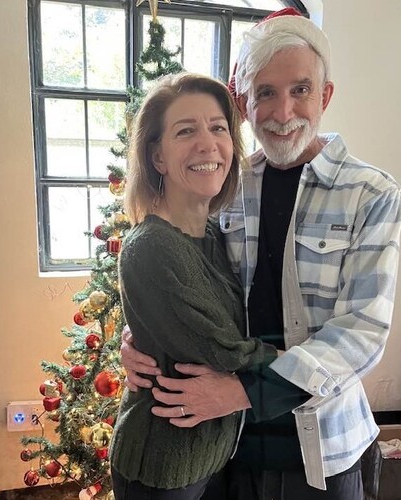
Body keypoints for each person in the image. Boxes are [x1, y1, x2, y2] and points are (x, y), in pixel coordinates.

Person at [120, 8, 401, 500]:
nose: (283, 112)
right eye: (266, 93)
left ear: (325, 96)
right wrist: (141, 338)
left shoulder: (371, 194)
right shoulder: (225, 186)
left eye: (300, 90)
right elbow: (187, 276)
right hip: (229, 450)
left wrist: (243, 391)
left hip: (325, 451)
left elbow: (362, 333)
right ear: (244, 102)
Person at [109, 72, 278, 500]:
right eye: (186, 131)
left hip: (213, 455)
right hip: (163, 467)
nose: (207, 144)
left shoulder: (215, 235)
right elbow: (225, 350)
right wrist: (305, 362)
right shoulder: (152, 246)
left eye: (218, 128)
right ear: (158, 157)